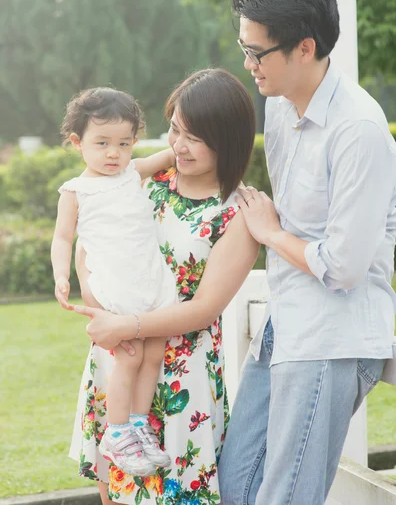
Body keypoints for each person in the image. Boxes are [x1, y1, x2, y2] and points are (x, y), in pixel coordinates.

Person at [216, 0, 396, 505]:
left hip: (333, 338)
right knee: (236, 483)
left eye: (257, 53)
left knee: (286, 498)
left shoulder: (357, 130)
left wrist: (270, 235)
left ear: (304, 47)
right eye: (243, 49)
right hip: (287, 322)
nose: (248, 65)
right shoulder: (279, 108)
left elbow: (345, 266)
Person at [69, 69, 259, 504]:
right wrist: (99, 308)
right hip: (119, 358)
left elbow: (204, 309)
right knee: (114, 493)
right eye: (175, 129)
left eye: (196, 137)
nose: (179, 145)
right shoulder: (142, 182)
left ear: (227, 140)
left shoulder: (236, 214)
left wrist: (126, 326)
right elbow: (88, 244)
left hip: (179, 374)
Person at [51, 87, 178, 477]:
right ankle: (116, 430)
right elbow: (62, 238)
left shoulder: (132, 173)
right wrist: (60, 275)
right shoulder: (76, 191)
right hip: (115, 284)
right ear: (77, 142)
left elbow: (170, 153)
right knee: (129, 357)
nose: (113, 153)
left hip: (148, 279)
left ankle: (140, 425)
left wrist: (198, 134)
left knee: (154, 352)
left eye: (124, 143)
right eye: (102, 143)